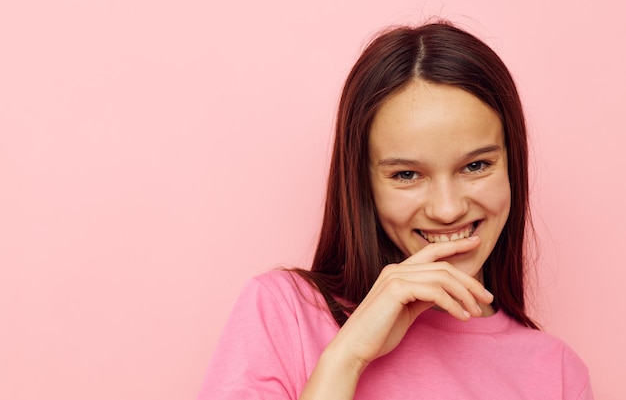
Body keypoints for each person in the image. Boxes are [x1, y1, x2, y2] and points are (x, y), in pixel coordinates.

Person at [197, 21, 594, 399]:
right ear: (363, 183)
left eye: (476, 166)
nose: (447, 209)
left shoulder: (557, 373)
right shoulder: (284, 313)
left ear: (512, 164)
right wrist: (346, 356)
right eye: (407, 174)